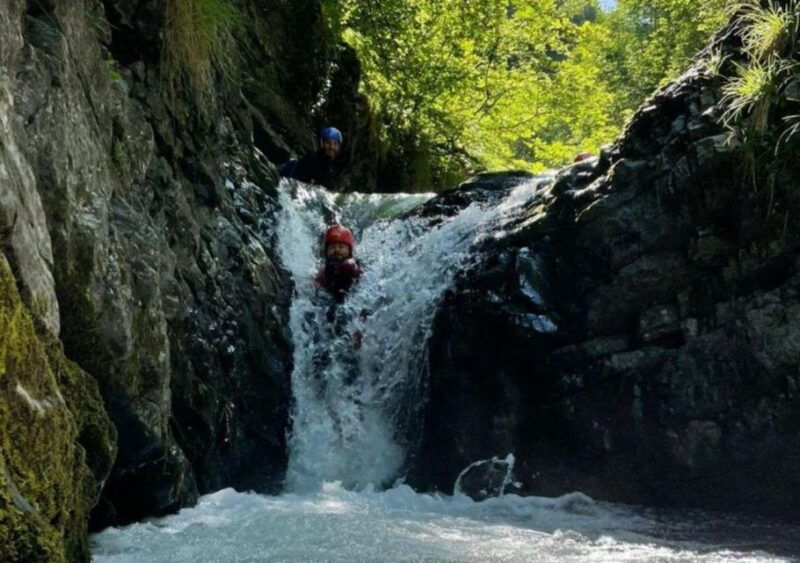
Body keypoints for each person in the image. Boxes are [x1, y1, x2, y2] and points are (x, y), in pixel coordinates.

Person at [314, 225, 362, 303]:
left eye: (341, 246)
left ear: (349, 251)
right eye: (332, 247)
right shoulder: (322, 274)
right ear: (326, 252)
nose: (336, 250)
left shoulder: (353, 267)